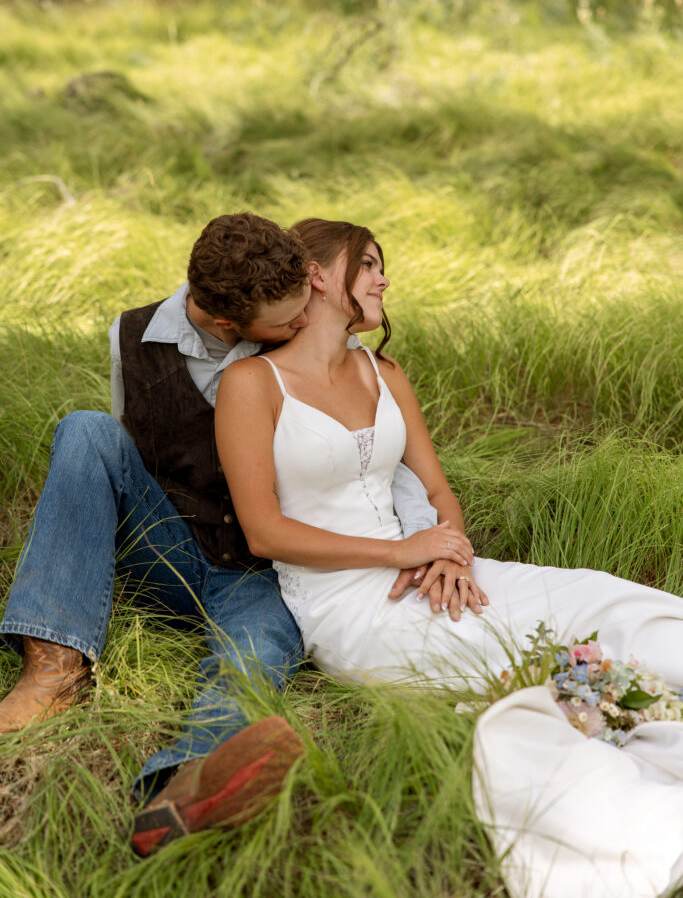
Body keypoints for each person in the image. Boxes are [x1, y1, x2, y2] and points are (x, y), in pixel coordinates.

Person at [215, 218, 683, 898]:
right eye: (368, 264)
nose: (383, 279)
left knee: (602, 599)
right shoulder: (252, 386)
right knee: (546, 671)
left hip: (436, 568)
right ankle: (644, 745)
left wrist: (451, 554)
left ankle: (656, 688)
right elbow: (265, 532)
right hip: (350, 603)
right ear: (317, 274)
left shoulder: (384, 372)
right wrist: (399, 549)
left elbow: (436, 491)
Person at [0, 212, 441, 856]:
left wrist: (424, 538)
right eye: (288, 322)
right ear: (230, 323)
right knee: (88, 429)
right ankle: (55, 664)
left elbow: (378, 456)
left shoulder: (304, 343)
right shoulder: (133, 334)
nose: (304, 322)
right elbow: (138, 459)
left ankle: (183, 784)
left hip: (263, 572)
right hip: (171, 551)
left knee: (253, 653)